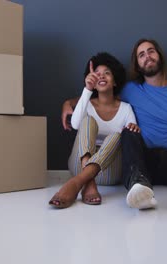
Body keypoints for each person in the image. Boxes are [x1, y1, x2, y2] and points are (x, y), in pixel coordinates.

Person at [62, 39, 167, 217]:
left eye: (151, 51)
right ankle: (139, 186)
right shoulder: (131, 89)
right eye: (141, 55)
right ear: (137, 64)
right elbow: (103, 96)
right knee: (128, 131)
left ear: (159, 55)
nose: (147, 57)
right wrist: (69, 103)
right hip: (141, 160)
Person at [50, 52, 140, 208]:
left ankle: (76, 182)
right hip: (79, 164)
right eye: (97, 74)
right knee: (87, 121)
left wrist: (134, 128)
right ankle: (88, 181)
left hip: (109, 171)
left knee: (118, 136)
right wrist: (87, 89)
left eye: (107, 73)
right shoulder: (87, 103)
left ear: (115, 82)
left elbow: (131, 135)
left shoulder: (126, 109)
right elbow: (76, 125)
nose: (102, 76)